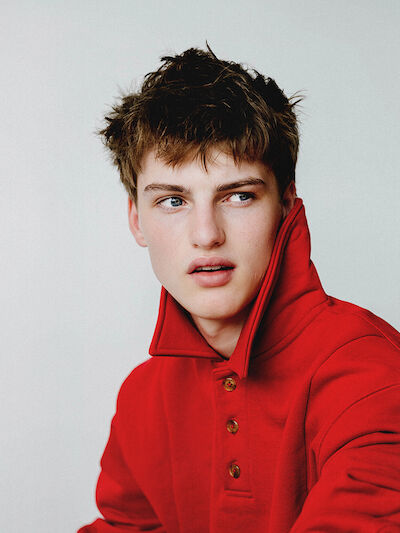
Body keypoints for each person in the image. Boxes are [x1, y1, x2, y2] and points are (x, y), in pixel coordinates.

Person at [79, 47, 400, 532]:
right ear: (136, 220)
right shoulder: (142, 397)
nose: (206, 234)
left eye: (239, 196)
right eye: (173, 201)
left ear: (286, 205)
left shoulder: (371, 374)